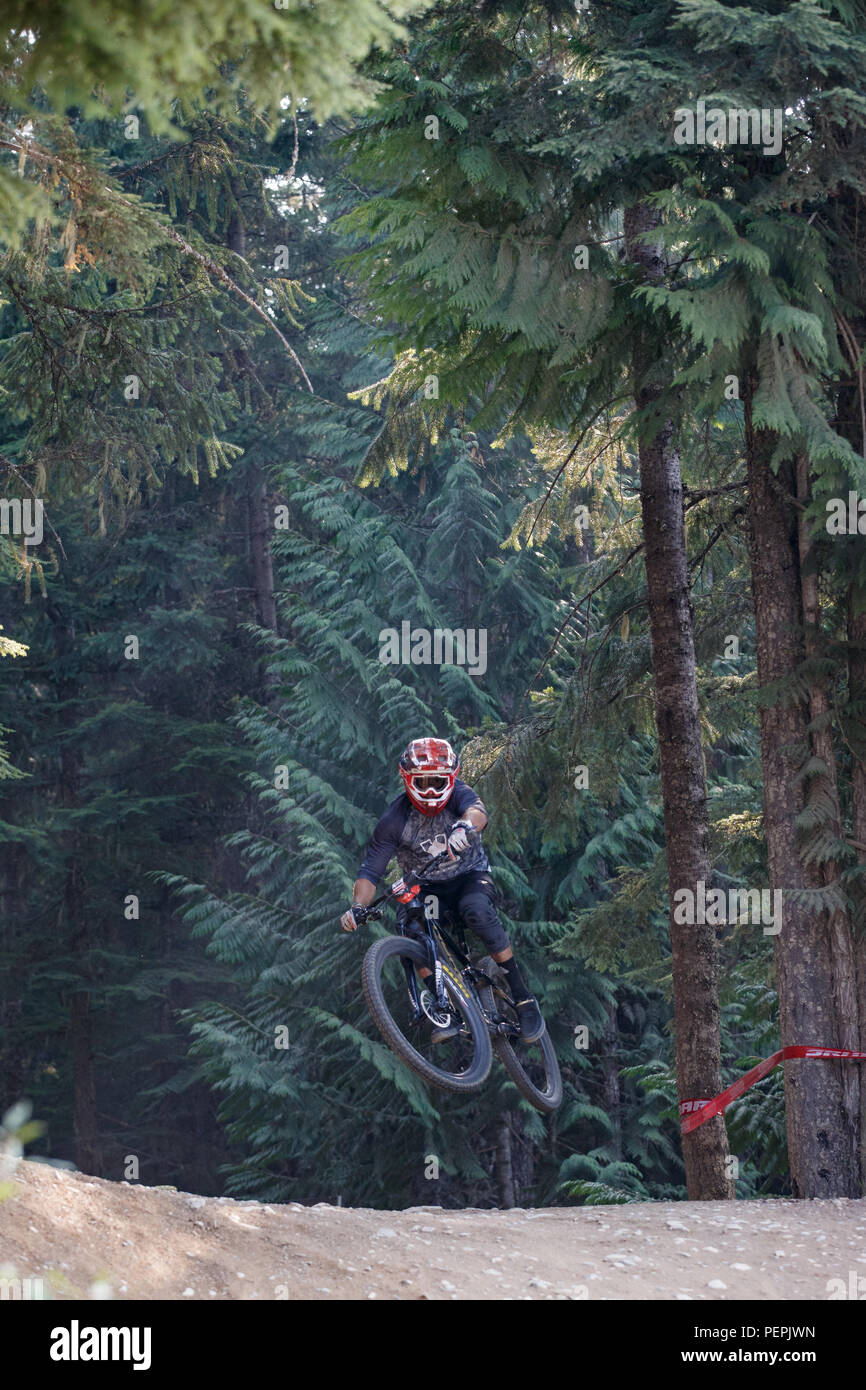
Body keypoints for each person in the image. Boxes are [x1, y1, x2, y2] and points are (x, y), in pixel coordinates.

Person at [340, 736, 544, 1041]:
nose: (431, 791)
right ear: (407, 780)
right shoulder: (394, 820)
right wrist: (357, 906)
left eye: (438, 782)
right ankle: (441, 1005)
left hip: (469, 876)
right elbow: (371, 870)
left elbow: (477, 812)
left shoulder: (460, 794)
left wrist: (465, 827)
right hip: (428, 887)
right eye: (422, 783)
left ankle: (523, 996)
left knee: (475, 910)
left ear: (452, 779)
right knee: (410, 925)